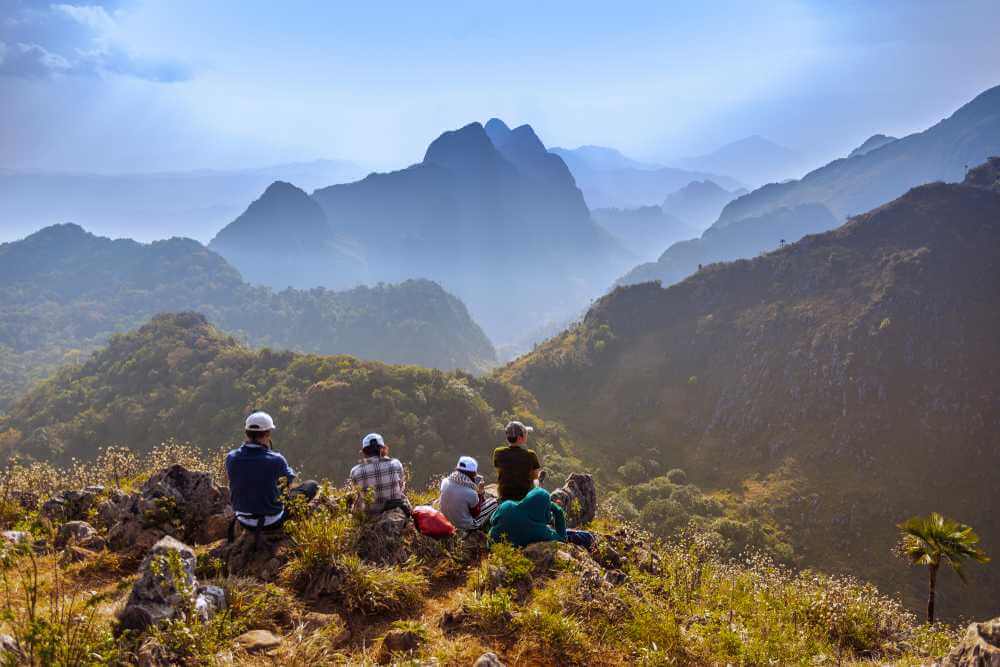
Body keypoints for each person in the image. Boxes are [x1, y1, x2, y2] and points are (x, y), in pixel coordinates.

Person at [225, 411, 318, 537]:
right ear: (268, 433)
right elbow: (289, 480)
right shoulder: (276, 460)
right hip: (271, 521)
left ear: (246, 433)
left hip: (243, 519)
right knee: (311, 485)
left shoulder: (231, 457)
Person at [488, 486, 595, 549]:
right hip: (507, 552)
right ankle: (591, 539)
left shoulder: (507, 505)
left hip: (491, 546)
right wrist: (557, 510)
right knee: (579, 536)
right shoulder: (539, 531)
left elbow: (492, 520)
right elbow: (562, 539)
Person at [348, 433, 409, 515]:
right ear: (382, 449)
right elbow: (401, 488)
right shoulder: (396, 464)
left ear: (364, 451)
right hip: (395, 512)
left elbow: (358, 494)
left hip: (369, 516)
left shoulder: (355, 471)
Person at [439, 456, 499, 530]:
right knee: (494, 502)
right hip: (464, 525)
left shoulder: (445, 481)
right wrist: (480, 494)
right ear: (473, 473)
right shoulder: (471, 493)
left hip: (445, 519)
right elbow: (475, 513)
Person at [493, 420, 544, 503]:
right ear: (520, 438)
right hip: (524, 498)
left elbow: (499, 471)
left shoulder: (498, 452)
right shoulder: (531, 455)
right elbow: (535, 477)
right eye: (525, 433)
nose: (527, 435)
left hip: (504, 496)